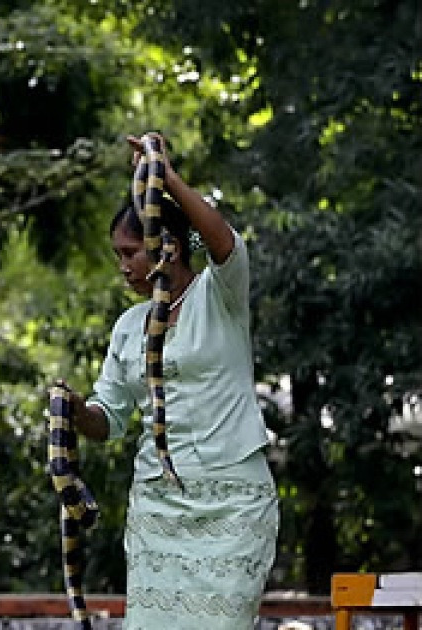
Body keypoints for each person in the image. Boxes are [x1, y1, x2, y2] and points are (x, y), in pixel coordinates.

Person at [56, 134, 279, 629]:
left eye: (131, 252)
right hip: (159, 503)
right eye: (118, 254)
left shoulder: (217, 296)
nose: (123, 267)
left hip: (233, 500)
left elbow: (224, 242)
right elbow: (108, 419)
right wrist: (72, 409)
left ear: (169, 248)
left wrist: (167, 178)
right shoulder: (129, 326)